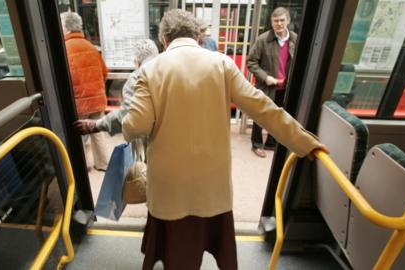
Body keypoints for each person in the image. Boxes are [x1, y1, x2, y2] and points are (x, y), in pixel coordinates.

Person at [122, 9, 327, 270]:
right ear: (197, 35)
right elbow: (263, 108)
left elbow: (135, 125)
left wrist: (128, 124)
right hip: (212, 186)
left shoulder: (151, 70)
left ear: (164, 38)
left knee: (175, 254)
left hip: (169, 188)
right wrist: (304, 142)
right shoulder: (222, 64)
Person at [73, 39, 159, 136]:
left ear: (137, 61)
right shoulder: (169, 72)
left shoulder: (137, 78)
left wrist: (96, 125)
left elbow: (127, 116)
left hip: (152, 142)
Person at [61, 11, 109, 171]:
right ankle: (102, 164)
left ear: (66, 28)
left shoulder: (64, 50)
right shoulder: (91, 47)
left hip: (79, 103)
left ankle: (82, 167)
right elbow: (104, 72)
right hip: (97, 100)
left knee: (78, 136)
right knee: (98, 131)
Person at [247, 7, 297, 158]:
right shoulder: (263, 39)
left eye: (282, 20)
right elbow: (251, 62)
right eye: (276, 21)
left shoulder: (295, 38)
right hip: (266, 86)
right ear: (271, 22)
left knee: (278, 117)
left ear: (288, 21)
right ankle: (257, 145)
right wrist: (265, 77)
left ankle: (271, 142)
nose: (279, 24)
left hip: (285, 87)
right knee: (260, 117)